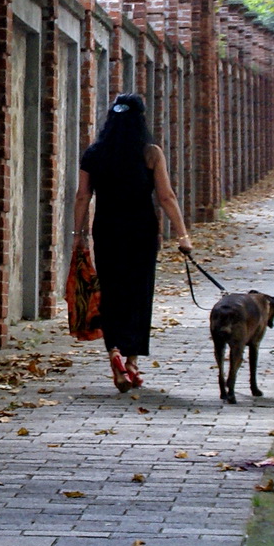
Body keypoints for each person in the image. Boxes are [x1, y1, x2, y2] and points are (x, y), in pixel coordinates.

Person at [72, 93, 192, 390]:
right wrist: (183, 236)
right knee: (139, 293)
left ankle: (113, 350)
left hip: (107, 230)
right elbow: (166, 197)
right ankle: (132, 362)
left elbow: (82, 196)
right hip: (141, 231)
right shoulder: (150, 153)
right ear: (141, 119)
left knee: (111, 291)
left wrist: (78, 236)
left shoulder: (94, 153)